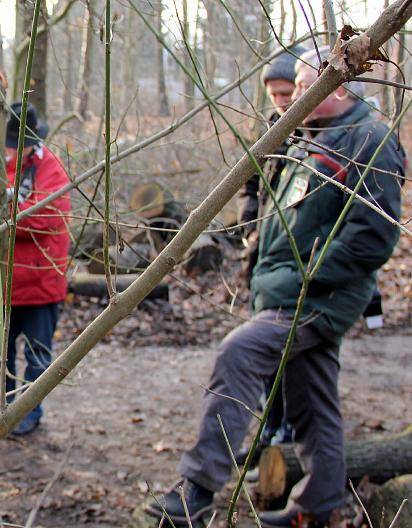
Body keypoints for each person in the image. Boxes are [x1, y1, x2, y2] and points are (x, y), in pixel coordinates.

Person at [146, 46, 404, 526]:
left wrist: (305, 278)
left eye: (306, 87)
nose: (295, 98)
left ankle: (197, 492)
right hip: (284, 290)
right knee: (312, 399)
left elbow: (373, 237)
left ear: (340, 86)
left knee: (239, 352)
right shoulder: (306, 134)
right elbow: (274, 207)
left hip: (315, 298)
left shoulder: (370, 140)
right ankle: (320, 505)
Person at [237, 45, 306, 463]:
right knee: (262, 357)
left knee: (288, 357)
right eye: (275, 95)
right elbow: (252, 178)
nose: (282, 102)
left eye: (288, 93)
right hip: (261, 255)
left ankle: (287, 432)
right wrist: (248, 210)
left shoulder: (311, 131)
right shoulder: (271, 128)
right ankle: (268, 428)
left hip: (293, 261)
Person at [0, 102, 71, 436]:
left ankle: (30, 412)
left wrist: (6, 208)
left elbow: (45, 217)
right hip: (3, 284)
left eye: (14, 143)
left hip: (39, 284)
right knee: (0, 358)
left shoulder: (50, 168)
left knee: (37, 356)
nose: (10, 150)